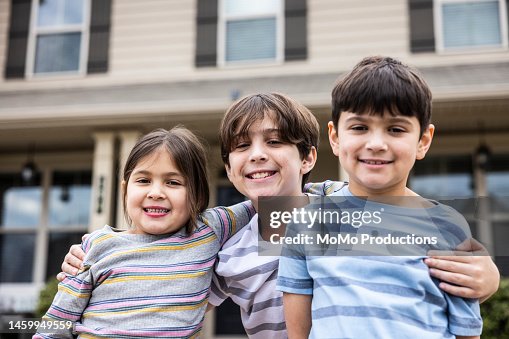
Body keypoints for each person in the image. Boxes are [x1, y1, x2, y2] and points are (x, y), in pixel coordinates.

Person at [59, 92, 499, 338]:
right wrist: (94, 264)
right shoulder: (222, 246)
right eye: (242, 147)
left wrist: (487, 278)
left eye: (274, 142)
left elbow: (439, 248)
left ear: (308, 157)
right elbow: (165, 285)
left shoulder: (344, 207)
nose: (258, 156)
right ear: (229, 168)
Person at [277, 56, 484, 338]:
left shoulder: (446, 226)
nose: (376, 144)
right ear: (335, 137)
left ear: (423, 140)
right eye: (360, 127)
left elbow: (466, 331)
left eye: (395, 129)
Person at [35, 127, 256, 338]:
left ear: (197, 196)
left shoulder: (209, 228)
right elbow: (55, 326)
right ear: (125, 190)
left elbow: (272, 203)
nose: (156, 192)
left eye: (172, 182)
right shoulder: (97, 246)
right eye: (143, 181)